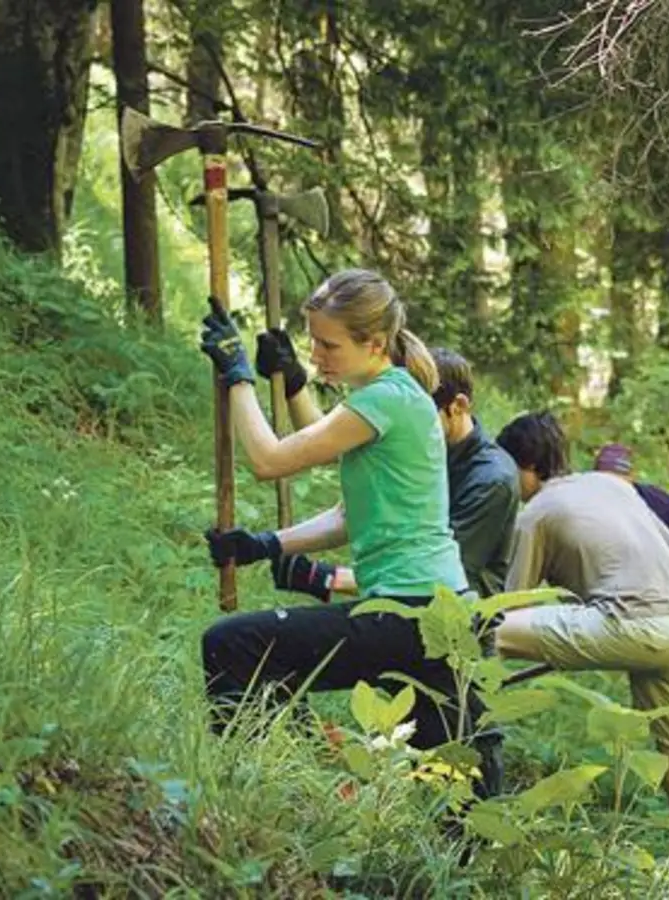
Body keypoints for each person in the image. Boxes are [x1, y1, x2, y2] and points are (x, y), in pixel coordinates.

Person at [194, 269, 499, 795]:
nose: (317, 356)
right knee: (457, 794)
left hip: (409, 613)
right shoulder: (395, 397)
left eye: (329, 345)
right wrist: (267, 544)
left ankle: (268, 793)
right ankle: (296, 790)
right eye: (313, 341)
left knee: (234, 645)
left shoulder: (386, 400)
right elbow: (348, 516)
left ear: (375, 343)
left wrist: (238, 376)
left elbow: (270, 460)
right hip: (439, 613)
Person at [489, 412, 669, 824]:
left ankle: (464, 733)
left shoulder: (536, 513)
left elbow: (509, 610)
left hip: (631, 623)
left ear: (529, 465)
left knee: (488, 632)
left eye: (508, 470)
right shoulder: (612, 486)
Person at [251, 342, 520, 602]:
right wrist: (294, 383)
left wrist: (326, 578)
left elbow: (437, 576)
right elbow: (327, 444)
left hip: (457, 616)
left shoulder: (491, 481)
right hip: (404, 598)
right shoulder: (416, 444)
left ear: (458, 406)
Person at [592, 443, 669, 594]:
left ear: (631, 478)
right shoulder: (599, 499)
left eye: (618, 481)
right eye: (606, 481)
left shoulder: (650, 507)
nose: (613, 487)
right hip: (664, 547)